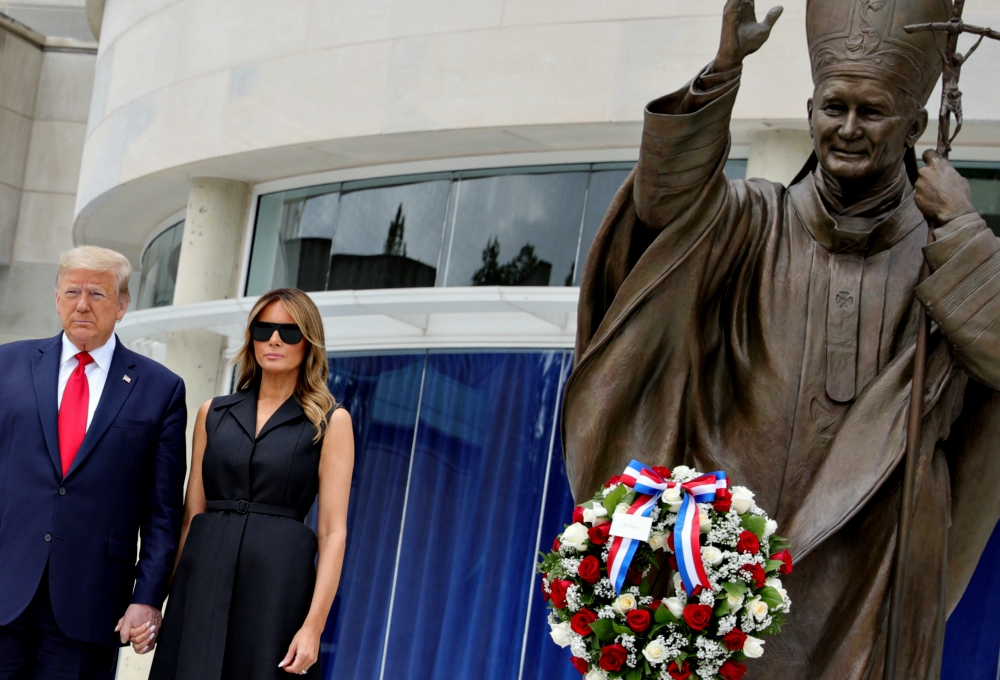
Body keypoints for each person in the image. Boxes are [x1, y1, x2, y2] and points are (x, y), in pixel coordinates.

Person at [562, 0, 1000, 678]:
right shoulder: (751, 220)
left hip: (867, 575)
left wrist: (966, 234)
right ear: (810, 110)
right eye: (834, 108)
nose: (848, 129)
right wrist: (721, 74)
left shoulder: (943, 253)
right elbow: (663, 211)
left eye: (873, 112)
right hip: (730, 564)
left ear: (915, 125)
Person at [144, 287, 353, 679]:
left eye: (289, 332)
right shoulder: (213, 413)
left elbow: (332, 532)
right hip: (202, 580)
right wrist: (156, 601)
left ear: (308, 343)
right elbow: (191, 517)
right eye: (264, 329)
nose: (274, 339)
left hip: (277, 586)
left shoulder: (330, 422)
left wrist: (313, 626)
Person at [0, 246, 188, 680]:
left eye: (98, 294)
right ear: (57, 298)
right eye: (72, 291)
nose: (82, 304)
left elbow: (163, 513)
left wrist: (148, 596)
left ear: (122, 305)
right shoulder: (8, 365)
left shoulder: (160, 390)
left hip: (90, 603)